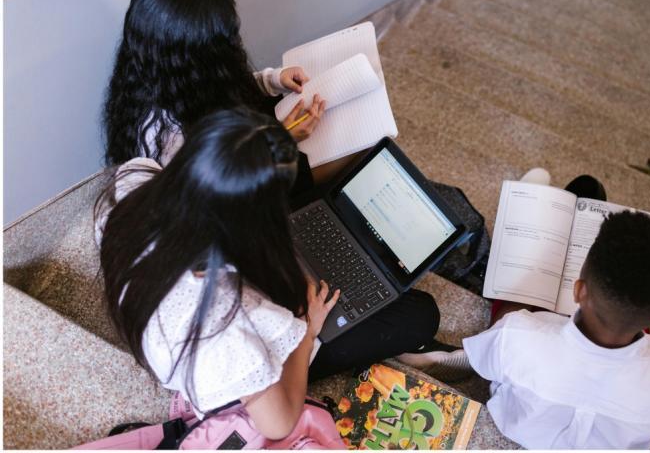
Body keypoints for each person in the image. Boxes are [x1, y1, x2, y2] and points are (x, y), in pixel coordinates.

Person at [96, 108, 440, 438]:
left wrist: (265, 146)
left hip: (167, 321)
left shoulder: (133, 181)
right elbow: (278, 424)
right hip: (222, 371)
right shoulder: (229, 324)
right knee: (420, 314)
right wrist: (307, 329)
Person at [402, 169, 650, 448]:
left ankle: (530, 224)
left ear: (579, 289)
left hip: (519, 421)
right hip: (613, 394)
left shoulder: (519, 336)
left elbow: (516, 335)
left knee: (513, 308)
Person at [102, 0, 325, 193]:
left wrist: (273, 79)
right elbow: (217, 193)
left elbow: (226, 84)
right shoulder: (167, 140)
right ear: (200, 56)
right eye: (228, 37)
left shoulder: (157, 76)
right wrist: (281, 142)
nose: (236, 40)